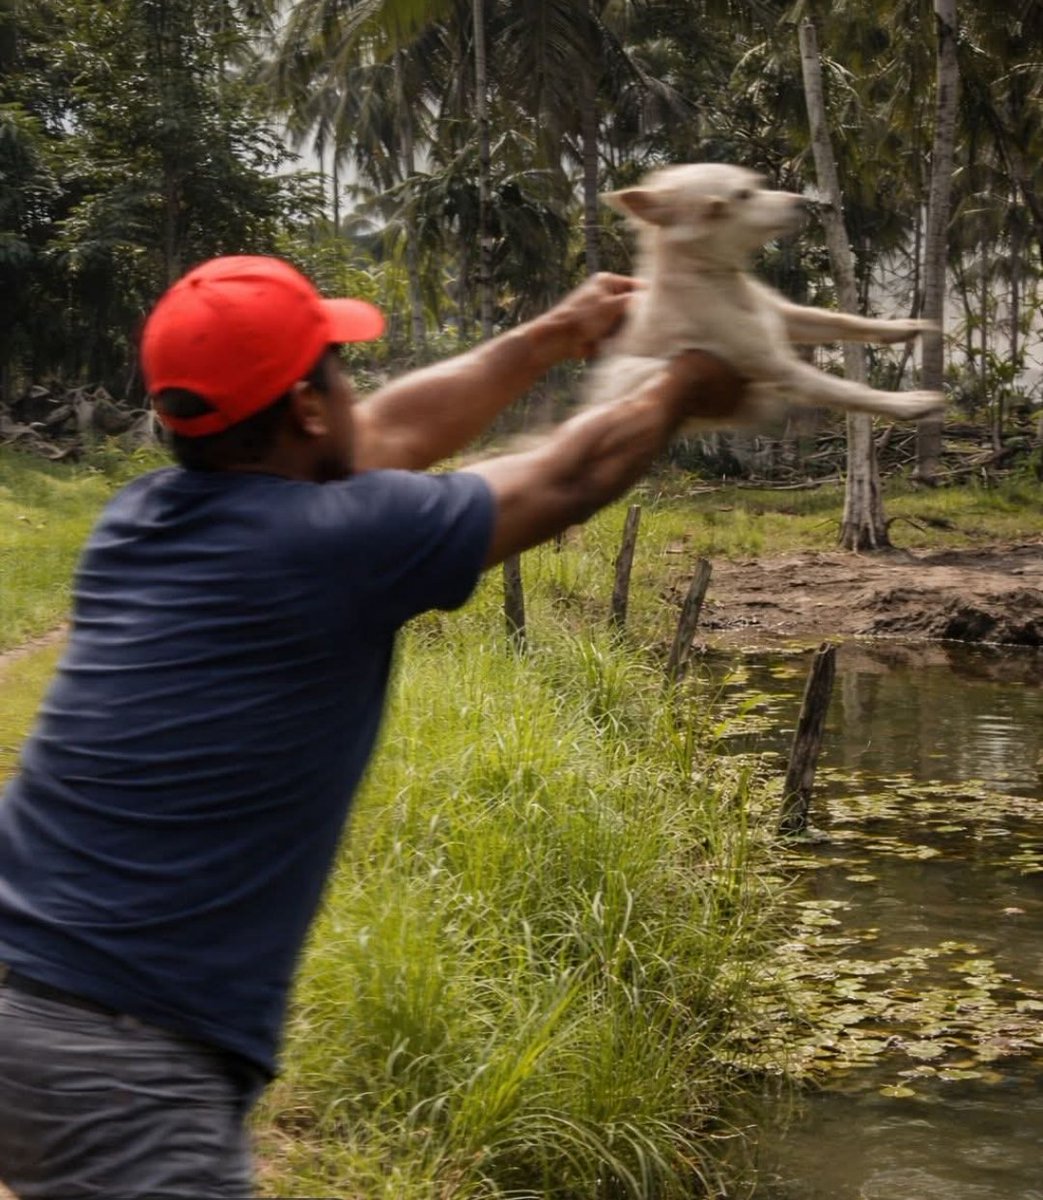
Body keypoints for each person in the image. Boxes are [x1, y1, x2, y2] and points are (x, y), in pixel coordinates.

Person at [0, 254, 744, 1198]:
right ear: (309, 407)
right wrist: (687, 377)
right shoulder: (339, 543)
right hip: (132, 1071)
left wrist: (553, 336)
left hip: (21, 1007)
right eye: (340, 368)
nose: (363, 393)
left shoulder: (136, 522)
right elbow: (573, 472)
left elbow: (389, 431)